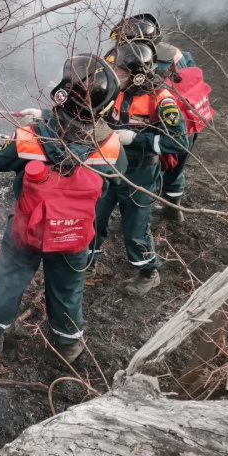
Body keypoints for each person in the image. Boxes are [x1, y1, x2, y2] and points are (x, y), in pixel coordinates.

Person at [0, 55, 126, 363]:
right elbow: (115, 179)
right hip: (75, 231)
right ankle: (68, 345)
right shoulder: (110, 145)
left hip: (27, 227)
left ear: (63, 94)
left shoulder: (29, 137)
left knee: (11, 279)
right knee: (67, 288)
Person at [92, 38, 189, 295]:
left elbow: (180, 143)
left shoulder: (162, 99)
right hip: (109, 165)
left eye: (120, 72)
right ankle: (89, 259)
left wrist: (136, 138)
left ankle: (149, 271)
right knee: (95, 214)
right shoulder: (114, 89)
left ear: (136, 76)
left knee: (135, 226)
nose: (113, 76)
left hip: (141, 172)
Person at [110, 13, 197, 218]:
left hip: (168, 121)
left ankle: (151, 205)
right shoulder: (176, 52)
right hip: (189, 116)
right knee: (178, 166)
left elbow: (138, 90)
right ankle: (174, 207)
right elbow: (193, 71)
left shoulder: (147, 65)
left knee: (165, 160)